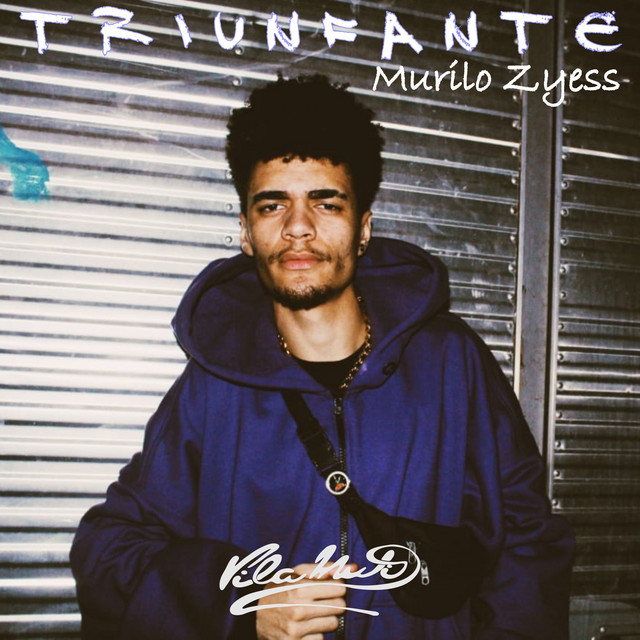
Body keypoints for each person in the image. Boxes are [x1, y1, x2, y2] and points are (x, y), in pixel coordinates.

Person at [70, 74, 574, 640]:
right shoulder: (215, 383)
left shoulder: (450, 363)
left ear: (363, 229)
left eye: (326, 203)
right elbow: (108, 550)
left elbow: (528, 541)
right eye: (273, 205)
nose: (298, 228)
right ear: (246, 231)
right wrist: (241, 603)